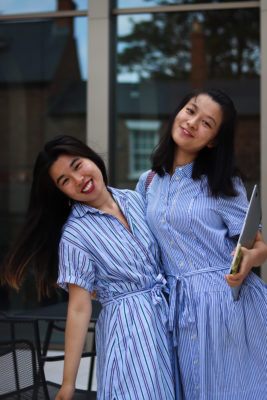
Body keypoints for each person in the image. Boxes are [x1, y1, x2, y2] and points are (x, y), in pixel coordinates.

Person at [1, 135, 176, 400]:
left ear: (91, 157)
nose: (78, 179)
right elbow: (79, 307)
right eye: (65, 181)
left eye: (77, 165)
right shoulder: (76, 234)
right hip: (129, 331)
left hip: (168, 318)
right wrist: (68, 383)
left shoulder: (134, 199)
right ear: (61, 193)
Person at [136, 88, 267, 400]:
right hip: (174, 309)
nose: (192, 123)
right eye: (190, 110)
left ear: (213, 141)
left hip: (225, 305)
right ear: (179, 111)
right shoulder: (148, 182)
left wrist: (246, 261)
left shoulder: (221, 183)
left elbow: (260, 246)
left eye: (207, 123)